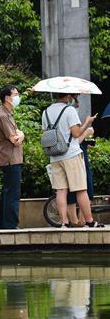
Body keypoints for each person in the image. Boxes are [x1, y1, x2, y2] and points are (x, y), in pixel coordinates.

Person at [42, 93, 101, 228]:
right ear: (68, 96)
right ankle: (90, 221)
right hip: (71, 155)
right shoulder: (69, 110)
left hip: (55, 156)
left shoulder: (46, 112)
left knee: (61, 190)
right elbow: (76, 133)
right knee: (80, 189)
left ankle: (64, 223)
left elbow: (45, 135)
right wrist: (87, 123)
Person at [0, 86, 25, 230]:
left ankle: (3, 224)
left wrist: (19, 134)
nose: (18, 97)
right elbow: (15, 139)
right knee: (12, 193)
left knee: (7, 192)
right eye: (15, 94)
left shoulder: (7, 113)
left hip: (11, 158)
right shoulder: (2, 115)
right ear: (7, 98)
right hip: (10, 159)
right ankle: (11, 225)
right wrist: (22, 134)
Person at [64, 95, 97, 225]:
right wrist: (87, 130)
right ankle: (80, 222)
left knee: (72, 189)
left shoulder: (65, 111)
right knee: (83, 188)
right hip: (75, 155)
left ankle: (77, 221)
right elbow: (76, 139)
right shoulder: (69, 112)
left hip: (75, 153)